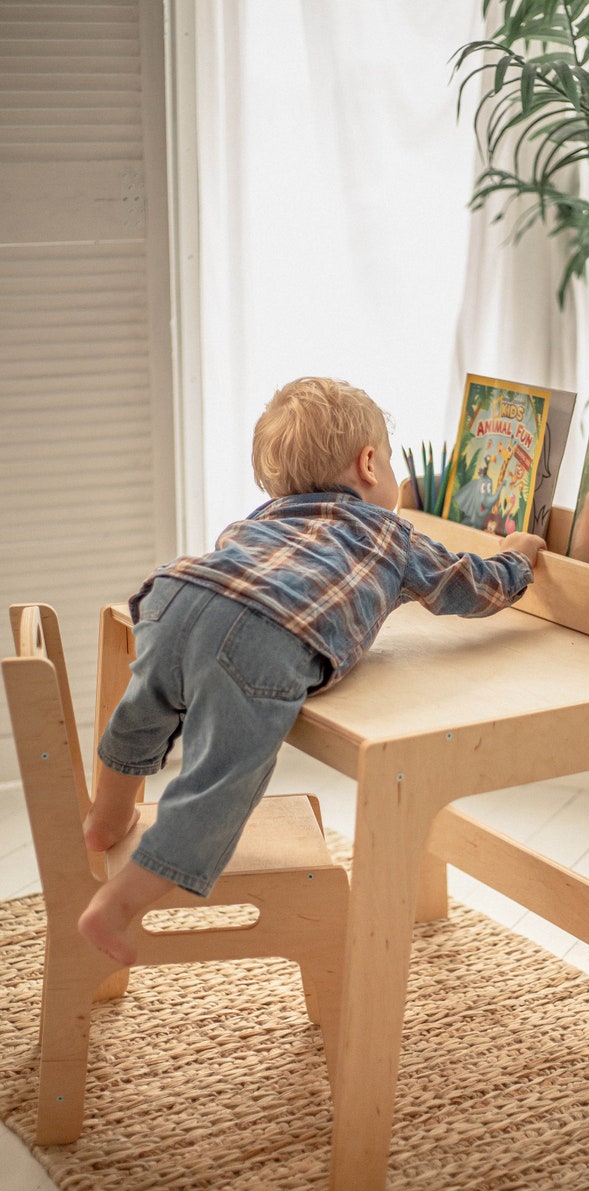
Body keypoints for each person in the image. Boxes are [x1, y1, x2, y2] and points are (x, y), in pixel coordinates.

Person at [78, 377, 546, 965]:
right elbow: (466, 587)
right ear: (369, 464)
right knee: (222, 775)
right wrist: (519, 561)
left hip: (175, 594)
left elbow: (245, 576)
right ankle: (119, 907)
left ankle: (108, 813)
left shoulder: (260, 519)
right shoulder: (390, 534)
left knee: (145, 704)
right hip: (261, 633)